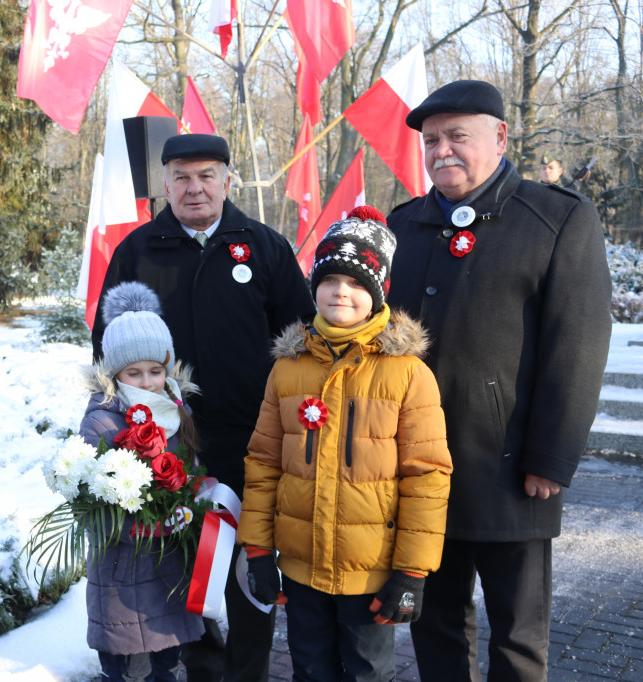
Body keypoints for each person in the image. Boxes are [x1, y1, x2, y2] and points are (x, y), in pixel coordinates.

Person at [387, 80, 612, 680]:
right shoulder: (402, 225)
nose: (441, 151)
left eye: (458, 136)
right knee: (434, 632)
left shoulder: (557, 217)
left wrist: (551, 456)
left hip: (512, 470)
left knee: (516, 640)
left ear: (500, 135)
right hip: (418, 473)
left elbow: (579, 345)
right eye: (431, 141)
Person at [91, 133, 316, 682]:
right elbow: (105, 351)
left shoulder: (264, 247)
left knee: (248, 571)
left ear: (227, 180)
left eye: (207, 175)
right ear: (165, 184)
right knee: (184, 571)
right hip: (163, 450)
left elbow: (302, 342)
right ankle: (203, 670)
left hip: (252, 445)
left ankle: (247, 674)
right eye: (183, 178)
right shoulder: (138, 251)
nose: (195, 188)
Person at [237, 206, 453, 681]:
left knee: (366, 674)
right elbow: (264, 460)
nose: (341, 292)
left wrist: (412, 572)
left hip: (371, 571)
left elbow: (428, 475)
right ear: (314, 284)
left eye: (357, 283)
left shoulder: (408, 374)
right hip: (300, 566)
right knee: (310, 672)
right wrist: (256, 550)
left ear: (378, 294)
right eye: (330, 278)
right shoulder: (288, 368)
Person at [80, 281, 206, 682]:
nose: (147, 382)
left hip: (170, 570)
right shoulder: (102, 420)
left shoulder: (175, 411)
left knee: (166, 666)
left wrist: (194, 503)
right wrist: (147, 522)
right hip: (123, 577)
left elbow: (191, 469)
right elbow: (93, 507)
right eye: (134, 373)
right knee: (126, 668)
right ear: (114, 373)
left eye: (155, 371)